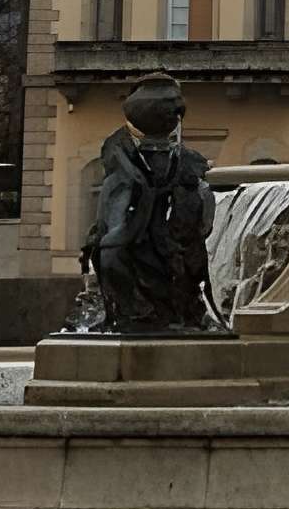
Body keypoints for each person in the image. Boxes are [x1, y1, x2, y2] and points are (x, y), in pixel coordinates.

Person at [84, 75, 215, 333]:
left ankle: (154, 313)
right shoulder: (121, 160)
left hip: (163, 238)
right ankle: (138, 312)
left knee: (119, 254)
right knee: (112, 253)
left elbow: (200, 223)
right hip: (141, 235)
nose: (171, 118)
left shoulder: (184, 163)